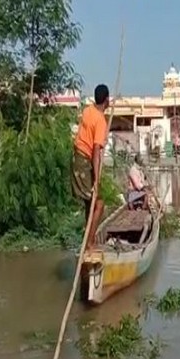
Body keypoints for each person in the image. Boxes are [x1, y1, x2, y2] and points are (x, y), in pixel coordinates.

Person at [71, 84, 110, 251]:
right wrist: (96, 177)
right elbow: (95, 150)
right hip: (84, 161)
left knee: (90, 203)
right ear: (107, 100)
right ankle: (90, 243)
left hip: (76, 158)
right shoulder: (100, 120)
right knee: (99, 204)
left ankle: (88, 240)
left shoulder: (88, 110)